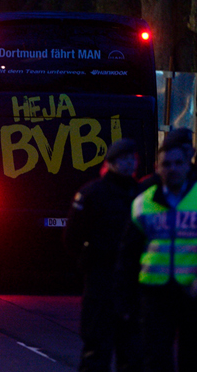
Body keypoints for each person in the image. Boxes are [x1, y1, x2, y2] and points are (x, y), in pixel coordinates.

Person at [122, 133, 197, 372]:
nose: (172, 169)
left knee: (193, 361)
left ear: (188, 164)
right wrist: (126, 297)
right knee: (155, 360)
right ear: (157, 167)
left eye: (177, 163)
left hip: (194, 294)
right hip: (154, 295)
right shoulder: (143, 199)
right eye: (166, 164)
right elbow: (127, 253)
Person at [65, 138, 141, 372]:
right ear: (110, 162)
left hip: (132, 282)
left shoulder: (142, 195)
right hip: (101, 278)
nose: (128, 164)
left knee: (132, 352)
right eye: (122, 159)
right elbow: (72, 237)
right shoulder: (92, 193)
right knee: (96, 349)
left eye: (131, 159)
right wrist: (86, 264)